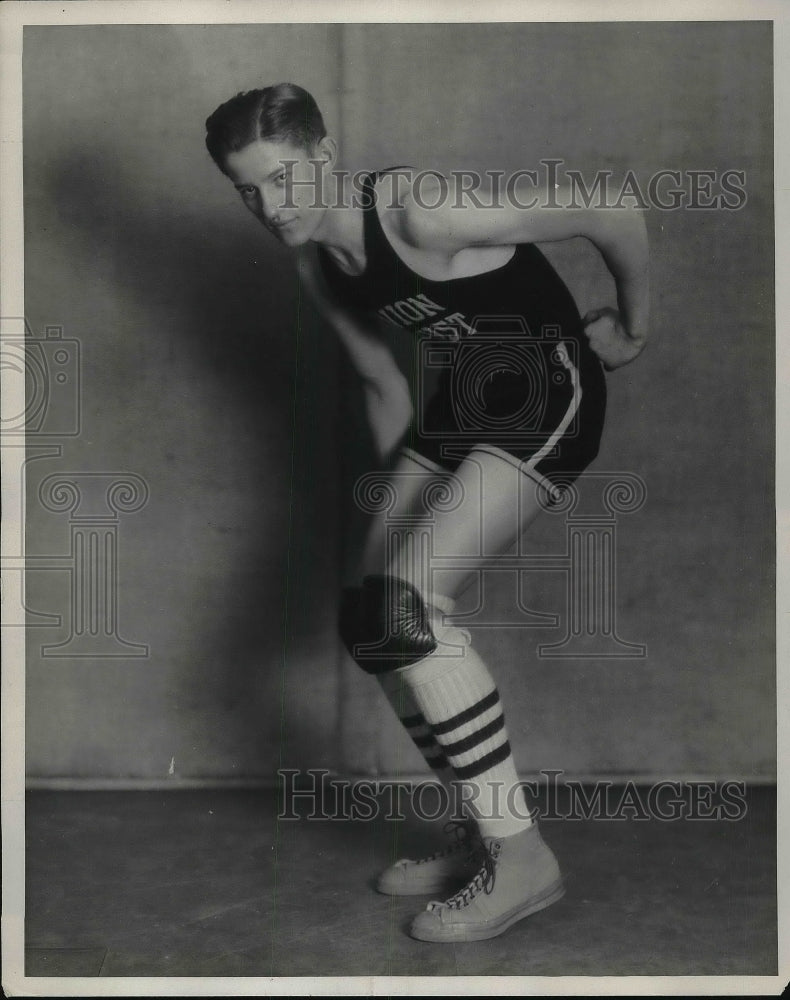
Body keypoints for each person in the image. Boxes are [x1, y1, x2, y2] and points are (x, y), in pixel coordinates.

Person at [205, 82, 649, 943]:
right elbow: (380, 381)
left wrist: (634, 331)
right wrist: (396, 518)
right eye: (248, 190)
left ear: (325, 154)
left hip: (547, 393)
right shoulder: (316, 257)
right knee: (374, 621)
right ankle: (485, 832)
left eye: (284, 179)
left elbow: (612, 206)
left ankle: (525, 859)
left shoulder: (419, 213)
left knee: (410, 606)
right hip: (459, 408)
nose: (270, 206)